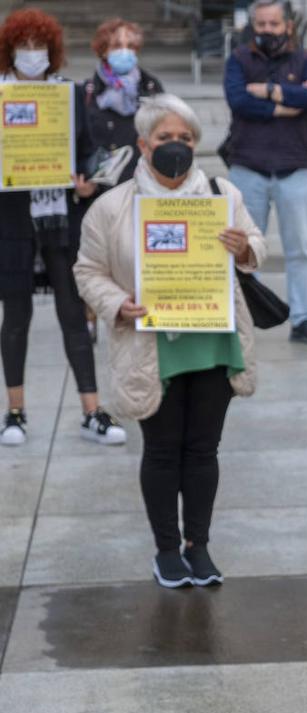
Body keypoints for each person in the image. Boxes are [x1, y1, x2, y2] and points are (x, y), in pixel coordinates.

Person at [74, 95, 266, 589]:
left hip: (213, 342)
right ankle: (166, 550)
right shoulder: (112, 208)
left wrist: (244, 247)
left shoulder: (222, 195)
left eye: (185, 138)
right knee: (162, 451)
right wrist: (118, 302)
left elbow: (256, 243)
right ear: (143, 144)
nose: (176, 147)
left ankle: (197, 546)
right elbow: (87, 271)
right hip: (151, 345)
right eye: (165, 138)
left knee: (203, 449)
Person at [0, 8, 126, 448]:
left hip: (59, 221)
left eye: (39, 47)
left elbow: (88, 151)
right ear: (9, 49)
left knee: (74, 315)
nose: (31, 55)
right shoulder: (0, 96)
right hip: (13, 221)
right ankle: (14, 411)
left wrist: (87, 178)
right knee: (15, 316)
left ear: (50, 52)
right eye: (23, 46)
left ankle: (92, 411)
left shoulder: (68, 95)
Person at [224, 0, 307, 346]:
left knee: (300, 250)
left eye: (273, 23)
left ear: (287, 26)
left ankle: (303, 319)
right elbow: (239, 101)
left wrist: (268, 91)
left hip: (295, 168)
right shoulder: (239, 59)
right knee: (241, 251)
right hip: (247, 167)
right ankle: (236, 320)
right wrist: (287, 105)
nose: (266, 30)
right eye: (261, 24)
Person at [82, 18, 164, 186]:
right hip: (103, 186)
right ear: (104, 51)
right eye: (117, 46)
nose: (125, 52)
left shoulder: (150, 86)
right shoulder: (89, 91)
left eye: (131, 47)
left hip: (144, 183)